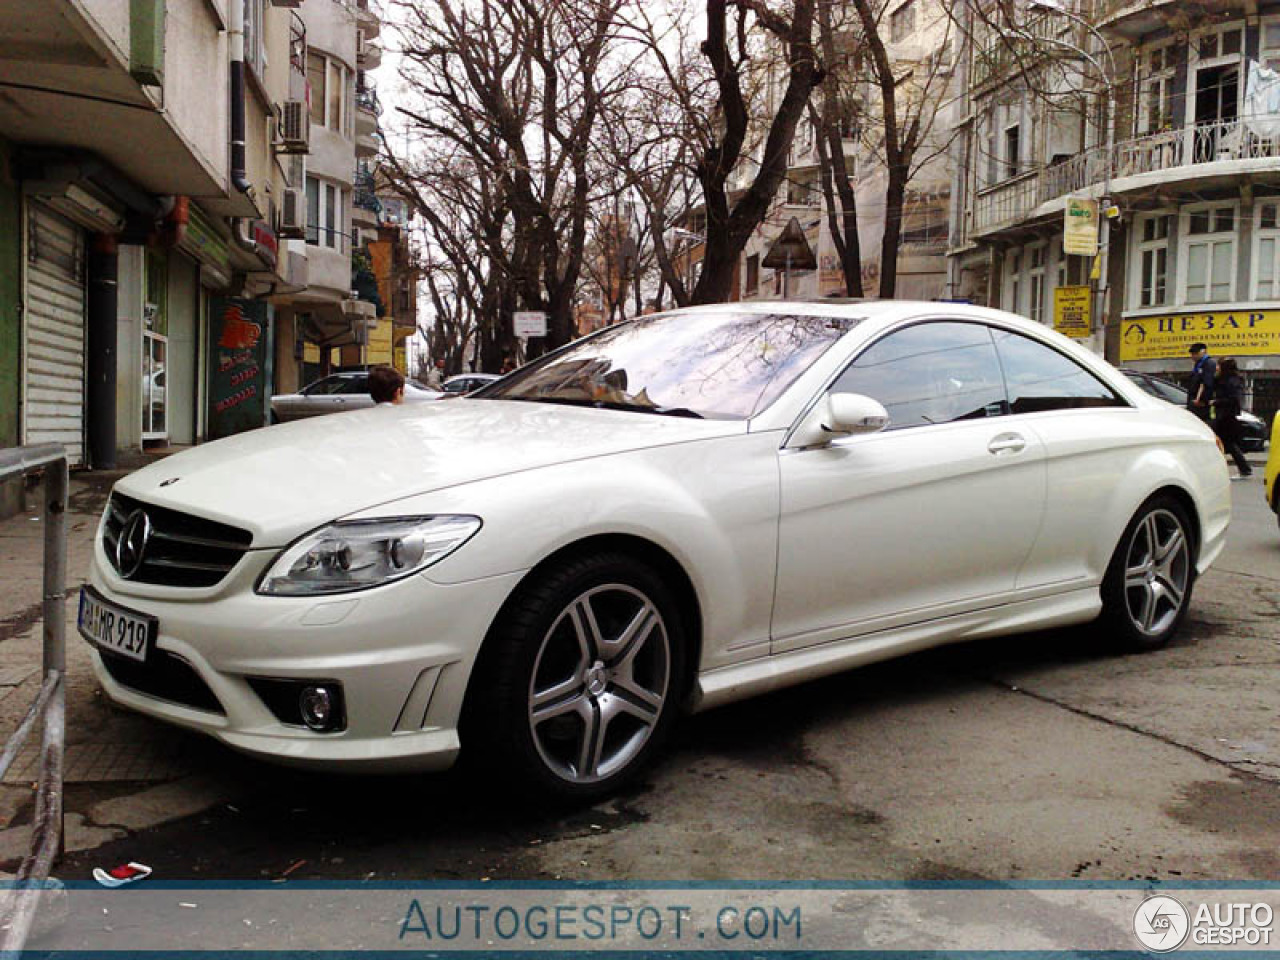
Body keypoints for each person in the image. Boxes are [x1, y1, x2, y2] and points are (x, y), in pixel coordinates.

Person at [1212, 357, 1253, 478]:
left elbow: (1233, 399)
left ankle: (1244, 469)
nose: (1216, 367)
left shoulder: (1231, 381)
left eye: (1219, 365)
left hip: (1226, 416)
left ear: (1224, 368)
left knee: (1226, 443)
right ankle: (1243, 469)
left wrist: (1215, 402)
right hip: (1224, 415)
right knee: (1225, 444)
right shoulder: (1223, 379)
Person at [1187, 342, 1216, 423]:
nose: (1193, 356)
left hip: (1200, 403)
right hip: (1195, 400)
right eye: (1192, 353)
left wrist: (1202, 400)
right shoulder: (1198, 364)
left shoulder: (1208, 363)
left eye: (1195, 353)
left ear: (1203, 352)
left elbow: (1207, 383)